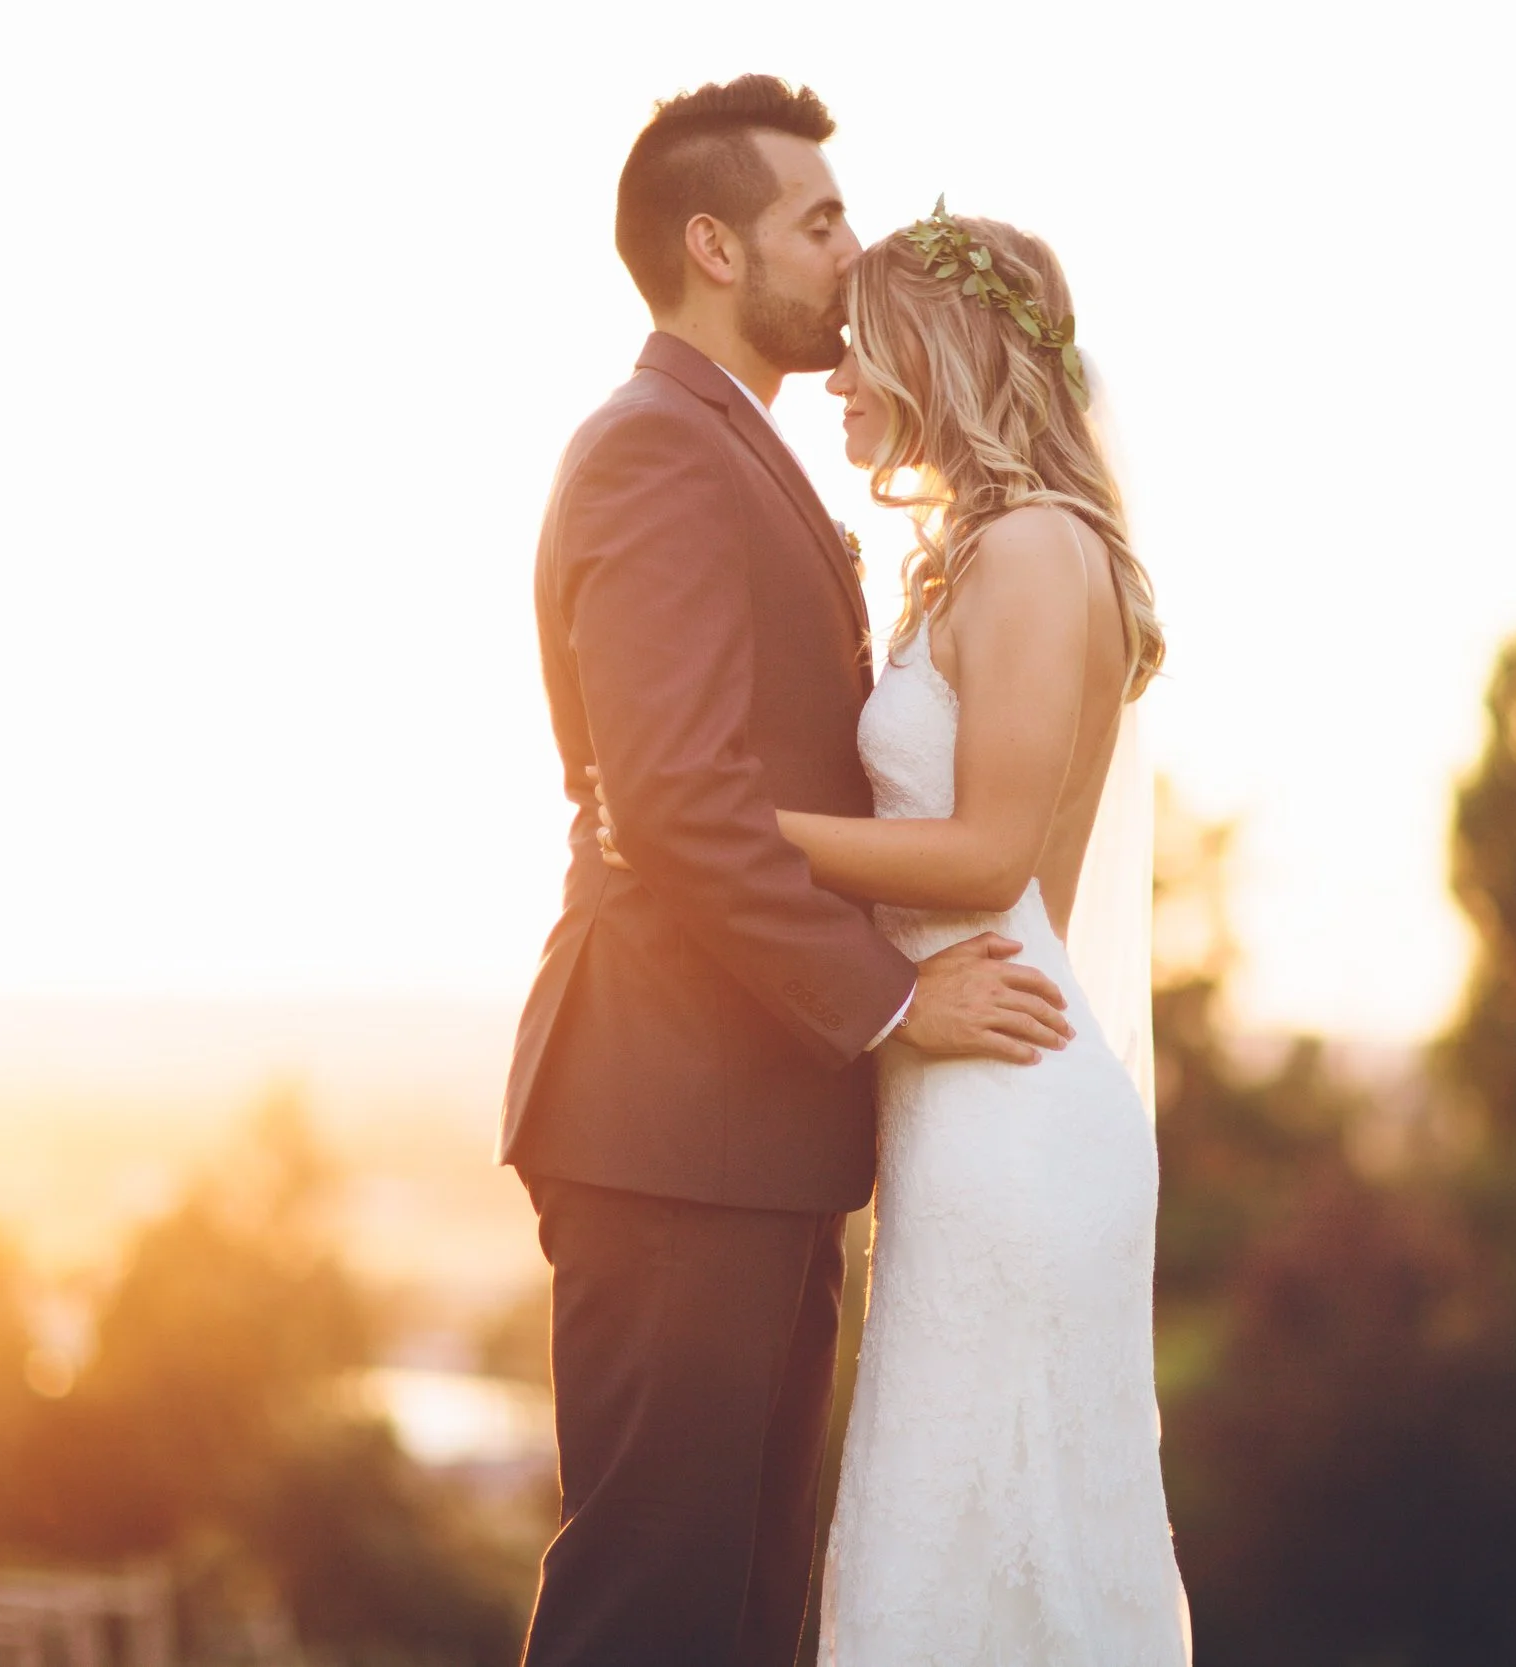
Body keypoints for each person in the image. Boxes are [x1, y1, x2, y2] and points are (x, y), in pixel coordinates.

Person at [498, 76, 1078, 1667]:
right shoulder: (649, 452)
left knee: (749, 1619)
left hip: (757, 1130)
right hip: (671, 1123)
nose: (851, 247)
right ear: (713, 246)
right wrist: (897, 1005)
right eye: (818, 221)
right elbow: (678, 805)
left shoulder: (733, 450)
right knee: (652, 1605)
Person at [596, 201, 1191, 1663]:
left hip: (1012, 1105)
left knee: (986, 1543)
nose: (840, 385)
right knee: (940, 1535)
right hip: (956, 1096)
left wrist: (724, 822)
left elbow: (988, 856)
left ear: (938, 351)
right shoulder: (981, 557)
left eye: (861, 354)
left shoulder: (1043, 551)